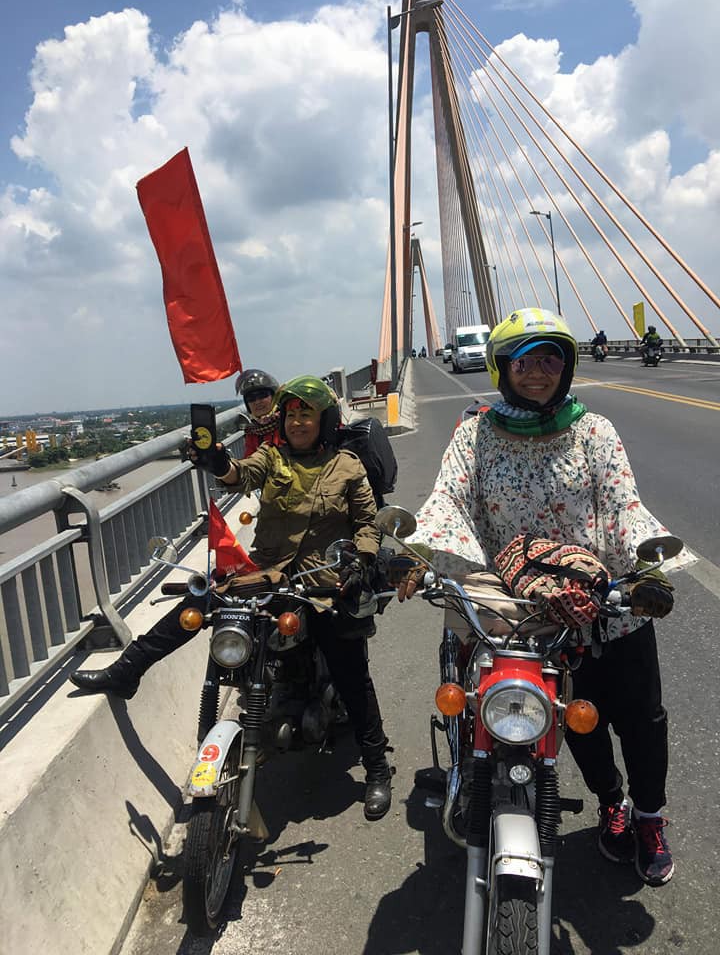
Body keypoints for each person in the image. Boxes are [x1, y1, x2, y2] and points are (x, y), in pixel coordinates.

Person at [395, 307, 694, 886]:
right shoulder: (475, 431)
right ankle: (611, 804)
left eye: (550, 358)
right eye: (523, 361)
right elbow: (448, 500)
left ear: (568, 364)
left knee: (641, 719)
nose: (538, 372)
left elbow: (624, 505)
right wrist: (417, 552)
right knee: (574, 722)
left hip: (609, 605)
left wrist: (644, 574)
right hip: (531, 617)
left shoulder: (594, 431)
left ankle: (650, 817)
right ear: (501, 367)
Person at [71, 375, 393, 821]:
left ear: (326, 420)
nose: (299, 422)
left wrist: (360, 560)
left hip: (323, 576)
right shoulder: (272, 456)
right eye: (292, 414)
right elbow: (240, 475)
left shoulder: (347, 466)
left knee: (349, 667)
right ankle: (128, 670)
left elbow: (367, 523)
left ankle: (377, 769)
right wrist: (216, 459)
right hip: (266, 571)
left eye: (308, 414)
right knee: (199, 606)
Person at [235, 368, 283, 457]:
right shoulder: (252, 432)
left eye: (262, 395)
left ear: (274, 397)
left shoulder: (286, 422)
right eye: (251, 398)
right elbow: (249, 463)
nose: (257, 402)